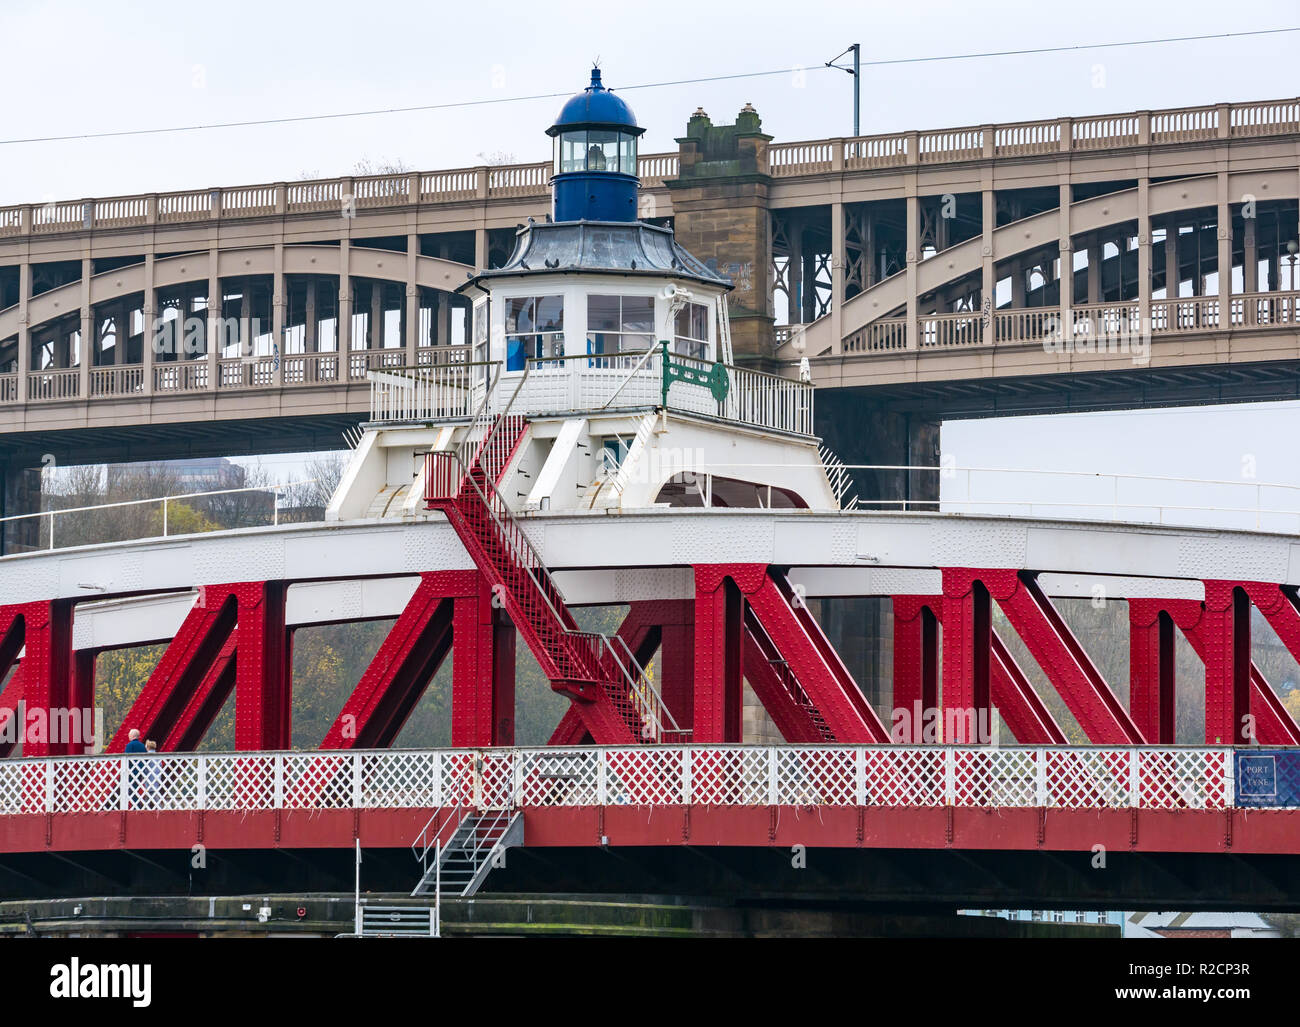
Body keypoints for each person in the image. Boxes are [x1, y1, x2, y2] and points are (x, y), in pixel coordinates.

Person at [124, 728, 146, 808]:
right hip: (140, 771)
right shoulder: (142, 746)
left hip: (132, 771)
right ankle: (139, 805)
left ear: (132, 736)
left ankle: (137, 806)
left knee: (130, 790)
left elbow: (126, 758)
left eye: (129, 734)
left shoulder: (130, 745)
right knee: (136, 789)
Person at [144, 739, 162, 809]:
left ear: (148, 747)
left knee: (149, 797)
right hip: (157, 778)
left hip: (149, 779)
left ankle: (145, 811)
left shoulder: (147, 756)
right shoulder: (158, 756)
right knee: (155, 796)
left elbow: (145, 769)